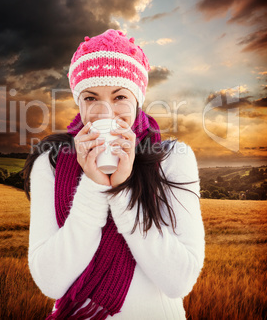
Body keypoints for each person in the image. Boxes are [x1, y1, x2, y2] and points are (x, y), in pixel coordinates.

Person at [22, 29, 205, 320]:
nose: (105, 112)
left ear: (137, 99)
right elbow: (51, 280)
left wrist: (122, 191)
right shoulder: (52, 161)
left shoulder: (172, 159)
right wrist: (93, 186)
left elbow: (178, 281)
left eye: (119, 96)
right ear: (78, 102)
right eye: (91, 98)